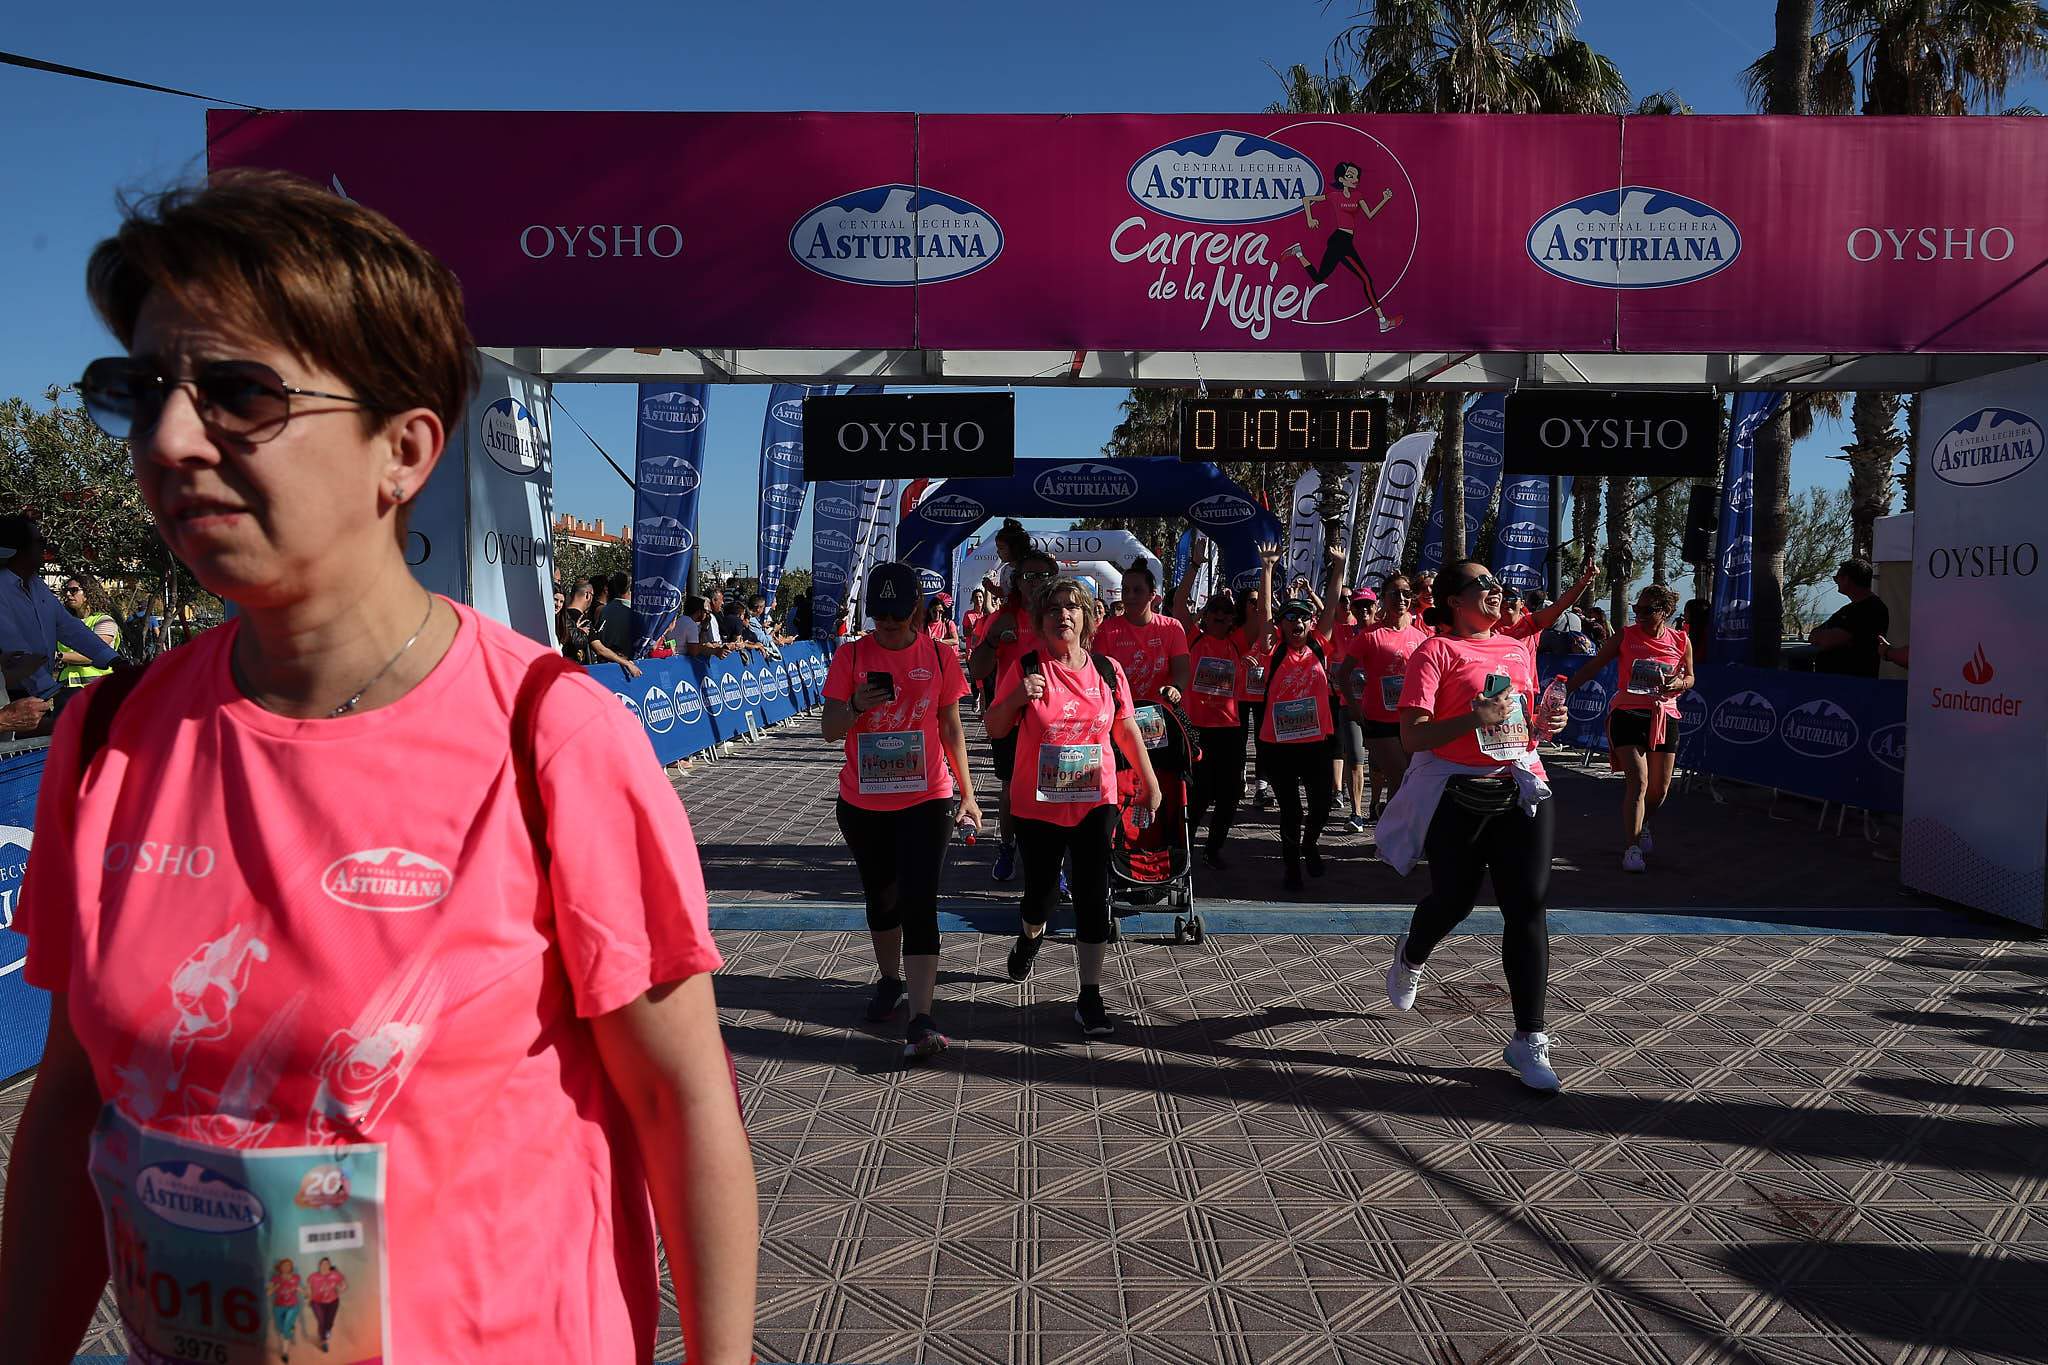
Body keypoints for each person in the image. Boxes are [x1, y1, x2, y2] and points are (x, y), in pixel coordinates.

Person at [1, 170, 756, 1365]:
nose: (171, 438)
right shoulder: (108, 737)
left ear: (402, 451)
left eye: (238, 393)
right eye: (140, 391)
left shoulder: (551, 735)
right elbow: (72, 1102)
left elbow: (681, 1103)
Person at [1376, 561, 1571, 1091]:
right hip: (1455, 791)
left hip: (1519, 784)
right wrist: (1472, 719)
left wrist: (1548, 724)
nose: (1495, 590)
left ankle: (1529, 1040)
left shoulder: (1514, 646)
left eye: (1495, 582)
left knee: (1527, 904)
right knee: (1454, 899)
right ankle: (1412, 953)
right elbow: (1414, 737)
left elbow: (1524, 723)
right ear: (1452, 601)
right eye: (1481, 584)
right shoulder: (1433, 652)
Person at [984, 576, 1160, 1037]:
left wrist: (1149, 779)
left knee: (1091, 895)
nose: (1064, 614)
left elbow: (1124, 728)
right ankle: (1027, 940)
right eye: (1054, 608)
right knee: (1039, 900)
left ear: (1086, 619)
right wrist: (1020, 695)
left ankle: (1090, 995)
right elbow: (995, 727)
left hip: (1094, 800)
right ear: (1041, 623)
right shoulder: (1026, 665)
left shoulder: (1107, 670)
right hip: (1037, 806)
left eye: (1072, 607)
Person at [822, 563, 981, 1061]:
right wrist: (855, 706)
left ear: (916, 608)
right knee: (883, 900)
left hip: (926, 797)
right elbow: (830, 728)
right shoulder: (851, 655)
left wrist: (968, 794)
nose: (887, 626)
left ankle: (921, 1016)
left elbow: (952, 728)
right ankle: (889, 979)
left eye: (896, 615)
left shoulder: (939, 654)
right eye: (880, 616)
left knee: (920, 900)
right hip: (864, 803)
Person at [1570, 584, 1694, 874]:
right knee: (1637, 782)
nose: (1638, 614)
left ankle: (1643, 823)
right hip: (1627, 713)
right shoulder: (1625, 636)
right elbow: (1595, 664)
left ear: (1664, 612)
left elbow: (1690, 678)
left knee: (1659, 791)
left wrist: (1678, 684)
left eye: (1646, 610)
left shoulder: (1680, 640)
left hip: (1664, 716)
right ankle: (1632, 848)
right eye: (1636, 609)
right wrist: (1566, 688)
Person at [1260, 543, 1350, 891]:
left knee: (1322, 804)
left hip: (1316, 742)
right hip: (1279, 744)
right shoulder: (1274, 646)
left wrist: (1338, 568)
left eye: (1301, 617)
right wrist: (1267, 569)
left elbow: (1329, 608)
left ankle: (1310, 844)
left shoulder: (1318, 643)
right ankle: (1291, 866)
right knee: (1290, 811)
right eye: (1290, 617)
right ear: (1281, 624)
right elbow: (1266, 612)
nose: (1296, 622)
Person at [967, 547, 1058, 882]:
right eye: (1029, 576)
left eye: (1043, 576)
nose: (1036, 583)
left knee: (1053, 792)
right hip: (1011, 716)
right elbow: (977, 669)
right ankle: (1007, 847)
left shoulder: (1062, 616)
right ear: (1017, 582)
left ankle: (1053, 864)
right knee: (1010, 790)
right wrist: (992, 641)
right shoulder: (1003, 618)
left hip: (1054, 719)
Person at [1337, 573, 1430, 824]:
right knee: (1400, 778)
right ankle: (1395, 835)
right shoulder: (1369, 636)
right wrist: (1355, 708)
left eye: (1406, 593)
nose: (1401, 598)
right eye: (1394, 593)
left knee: (1410, 779)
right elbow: (1342, 674)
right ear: (1383, 599)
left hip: (1411, 719)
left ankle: (1391, 831)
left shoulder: (1420, 637)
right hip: (1379, 720)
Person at [0, 517, 121, 703]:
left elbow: (68, 627)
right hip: (11, 695)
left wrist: (113, 660)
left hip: (38, 693)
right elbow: (13, 645)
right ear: (19, 548)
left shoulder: (36, 586)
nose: (45, 549)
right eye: (40, 542)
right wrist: (49, 690)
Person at [1284, 160, 1403, 333]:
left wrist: (1384, 199)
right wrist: (1309, 218)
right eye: (1350, 176)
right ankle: (1382, 321)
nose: (1354, 179)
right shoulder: (1334, 195)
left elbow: (1370, 214)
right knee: (1366, 279)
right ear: (1341, 179)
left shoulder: (1358, 196)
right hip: (1340, 241)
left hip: (1344, 241)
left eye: (1356, 176)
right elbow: (1306, 199)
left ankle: (1298, 252)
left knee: (1318, 278)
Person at [1093, 558, 1190, 707]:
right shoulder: (1106, 630)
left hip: (1161, 713)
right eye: (1125, 590)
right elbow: (1098, 676)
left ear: (1152, 594)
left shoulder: (1172, 627)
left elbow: (1182, 670)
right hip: (1121, 713)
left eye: (1137, 590)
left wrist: (1176, 688)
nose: (1130, 596)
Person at [1332, 587, 1379, 833]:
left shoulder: (1383, 633)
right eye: (1357, 605)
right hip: (1349, 705)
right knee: (1354, 760)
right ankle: (1356, 812)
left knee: (1379, 762)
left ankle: (1374, 804)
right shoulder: (1341, 632)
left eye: (1367, 605)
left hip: (1379, 706)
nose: (1363, 609)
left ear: (1376, 606)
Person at [1808, 558, 1888, 676]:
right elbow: (1814, 634)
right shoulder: (1847, 610)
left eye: (1837, 578)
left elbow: (1829, 640)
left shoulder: (1872, 609)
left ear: (1847, 579)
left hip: (1853, 681)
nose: (1836, 582)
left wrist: (1823, 636)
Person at [53, 576, 122, 690]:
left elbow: (97, 653)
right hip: (66, 687)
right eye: (67, 590)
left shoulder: (104, 620)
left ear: (89, 593)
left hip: (98, 689)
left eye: (74, 590)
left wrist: (58, 656)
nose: (68, 594)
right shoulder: (64, 624)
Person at [307, 1257, 347, 1353]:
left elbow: (343, 1286)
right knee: (321, 1321)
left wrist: (340, 1288)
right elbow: (309, 1289)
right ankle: (324, 1341)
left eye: (327, 1264)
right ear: (319, 1266)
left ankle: (327, 1330)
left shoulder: (335, 1275)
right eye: (322, 1264)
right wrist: (309, 1299)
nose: (324, 1266)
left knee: (329, 1322)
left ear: (329, 1266)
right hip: (317, 1302)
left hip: (332, 1302)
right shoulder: (313, 1276)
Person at [270, 1257, 304, 1362]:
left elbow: (299, 1288)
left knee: (285, 1329)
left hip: (292, 1306)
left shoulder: (296, 1278)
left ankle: (285, 1353)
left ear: (291, 1268)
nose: (286, 1267)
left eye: (288, 1266)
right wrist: (276, 1286)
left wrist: (306, 1292)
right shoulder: (275, 1279)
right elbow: (268, 1292)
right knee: (280, 1329)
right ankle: (291, 1329)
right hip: (278, 1307)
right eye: (284, 1265)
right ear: (280, 1267)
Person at [557, 576, 597, 664]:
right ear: (587, 595)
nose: (558, 605)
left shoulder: (561, 616)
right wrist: (625, 662)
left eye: (561, 602)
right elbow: (600, 649)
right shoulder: (584, 621)